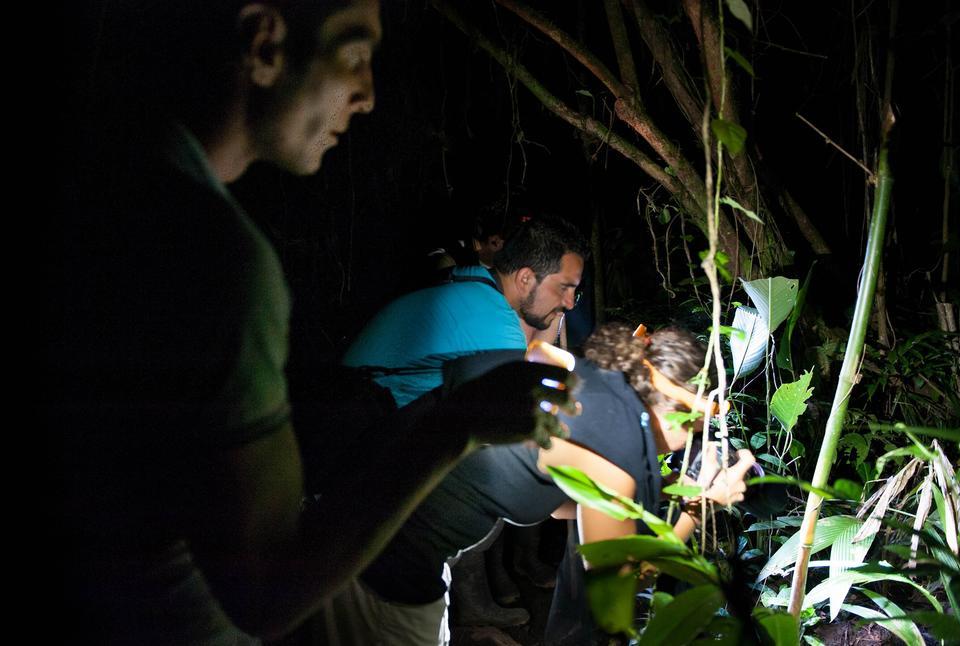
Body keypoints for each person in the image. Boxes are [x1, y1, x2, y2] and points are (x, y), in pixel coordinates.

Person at [52, 2, 571, 644]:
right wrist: (454, 424)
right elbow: (263, 590)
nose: (368, 96)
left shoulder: (104, 190)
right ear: (266, 45)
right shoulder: (212, 256)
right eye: (353, 55)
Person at [331, 323, 757, 644]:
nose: (695, 438)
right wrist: (699, 506)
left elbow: (561, 503)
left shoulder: (596, 387)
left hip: (356, 500)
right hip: (382, 561)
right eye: (699, 423)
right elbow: (614, 594)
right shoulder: (615, 446)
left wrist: (667, 485)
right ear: (674, 409)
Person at [342, 215, 587, 407]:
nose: (570, 302)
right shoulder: (496, 324)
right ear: (525, 279)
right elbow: (517, 416)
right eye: (564, 288)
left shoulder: (467, 281)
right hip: (352, 437)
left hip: (346, 405)